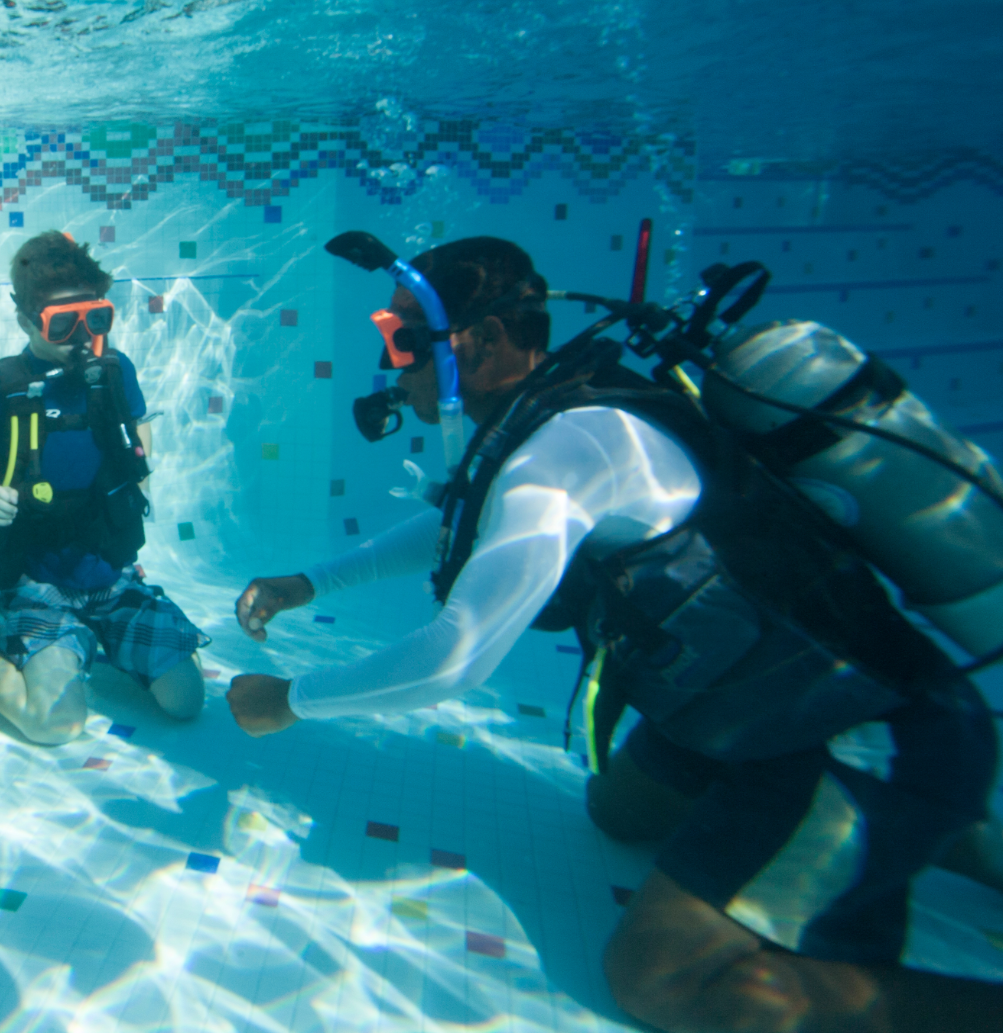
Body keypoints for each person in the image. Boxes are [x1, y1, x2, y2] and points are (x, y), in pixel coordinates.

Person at [229, 236, 1003, 1033]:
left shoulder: (571, 448)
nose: (394, 369)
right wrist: (313, 583)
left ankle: (932, 824)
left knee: (665, 978)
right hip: (746, 722)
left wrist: (289, 699)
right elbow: (461, 519)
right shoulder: (554, 422)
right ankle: (948, 831)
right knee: (617, 812)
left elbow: (455, 657)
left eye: (401, 342)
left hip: (859, 732)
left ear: (484, 340)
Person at [0, 231, 207, 744]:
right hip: (37, 580)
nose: (80, 335)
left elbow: (139, 426)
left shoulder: (114, 370)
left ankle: (101, 639)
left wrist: (136, 467)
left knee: (185, 701)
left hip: (113, 575)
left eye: (95, 319)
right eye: (62, 323)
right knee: (54, 726)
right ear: (26, 320)